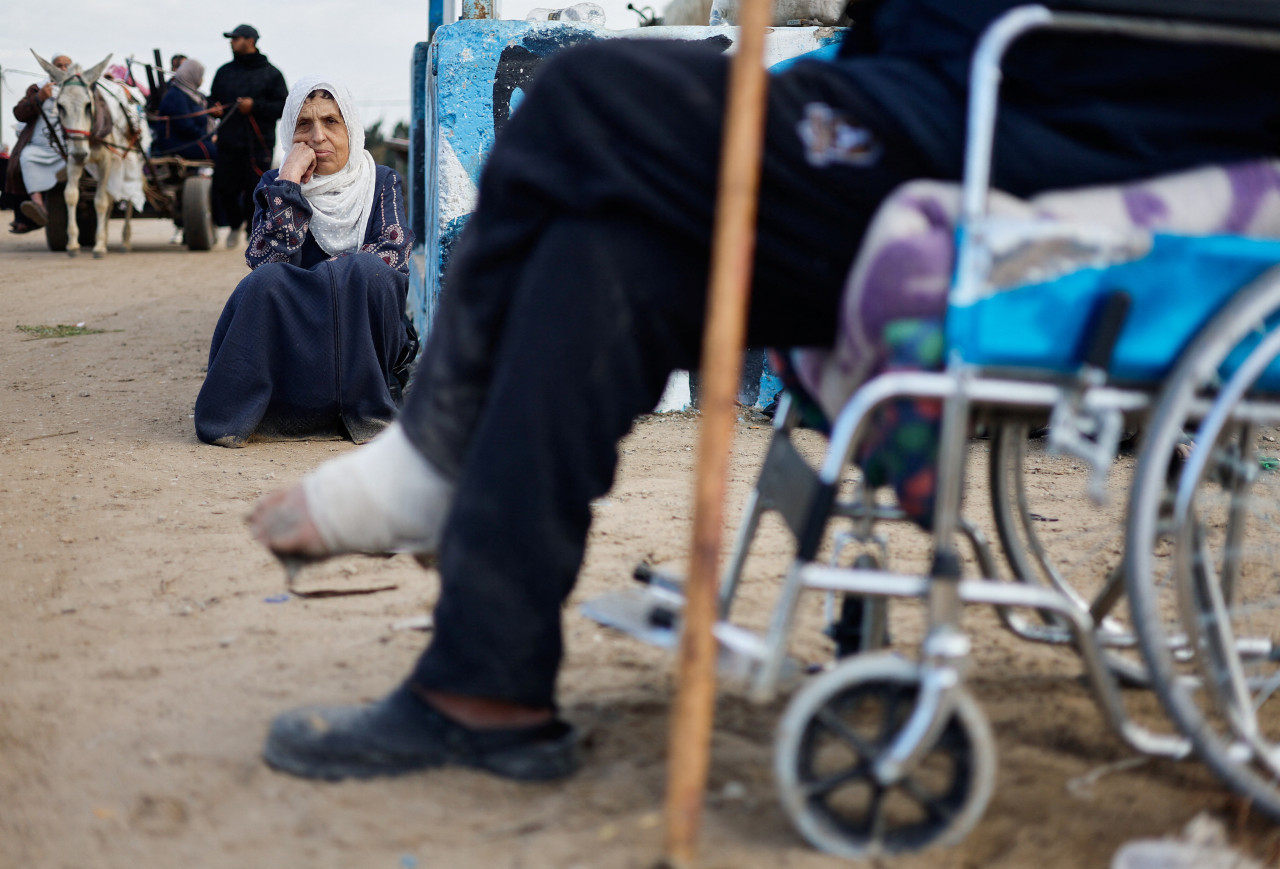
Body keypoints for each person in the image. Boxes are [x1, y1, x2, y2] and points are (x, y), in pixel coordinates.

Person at [248, 0, 1280, 782]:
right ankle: (484, 679)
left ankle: (430, 465)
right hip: (952, 81)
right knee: (605, 248)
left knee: (581, 100)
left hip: (1052, 102)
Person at [193, 76, 419, 449]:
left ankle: (364, 405)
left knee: (369, 272)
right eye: (304, 125)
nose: (317, 136)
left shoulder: (381, 181)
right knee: (264, 284)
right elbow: (268, 261)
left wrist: (323, 279)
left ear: (351, 129)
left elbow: (393, 259)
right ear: (289, 133)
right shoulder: (275, 183)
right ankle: (251, 414)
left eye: (331, 121)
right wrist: (289, 184)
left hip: (363, 335)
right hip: (297, 342)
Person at [208, 24, 287, 250]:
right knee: (224, 188)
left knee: (257, 191)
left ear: (250, 41)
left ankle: (253, 232)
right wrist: (213, 108)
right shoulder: (223, 72)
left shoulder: (272, 74)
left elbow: (283, 107)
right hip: (228, 142)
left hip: (258, 145)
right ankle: (234, 224)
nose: (232, 42)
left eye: (236, 38)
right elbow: (212, 99)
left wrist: (255, 106)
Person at [5, 54, 72, 233]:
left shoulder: (76, 89)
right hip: (38, 147)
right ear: (51, 67)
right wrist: (39, 98)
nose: (63, 69)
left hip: (67, 148)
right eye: (59, 65)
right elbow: (19, 113)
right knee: (26, 158)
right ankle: (38, 207)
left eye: (67, 66)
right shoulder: (38, 88)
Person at [151, 59, 216, 161]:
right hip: (176, 144)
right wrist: (208, 137)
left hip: (187, 141)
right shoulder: (176, 96)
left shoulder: (191, 95)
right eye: (200, 75)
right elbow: (186, 126)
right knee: (220, 153)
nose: (201, 79)